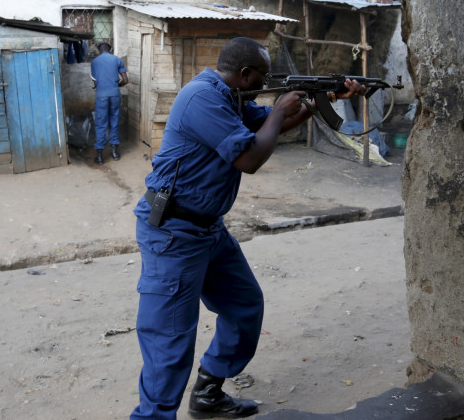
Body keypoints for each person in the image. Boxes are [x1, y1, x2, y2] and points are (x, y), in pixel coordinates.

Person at [130, 37, 366, 419]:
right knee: (169, 340)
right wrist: (279, 109)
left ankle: (208, 393)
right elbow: (250, 157)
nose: (266, 82)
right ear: (243, 74)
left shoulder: (231, 97)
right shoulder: (202, 99)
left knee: (244, 306)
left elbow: (277, 125)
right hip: (173, 232)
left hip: (207, 229)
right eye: (262, 76)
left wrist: (322, 98)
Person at [90, 42, 128, 164]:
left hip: (102, 95)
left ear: (99, 50)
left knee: (101, 124)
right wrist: (115, 86)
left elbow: (95, 83)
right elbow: (125, 80)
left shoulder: (94, 62)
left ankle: (100, 157)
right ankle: (114, 153)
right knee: (114, 121)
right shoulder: (117, 60)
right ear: (110, 50)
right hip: (115, 95)